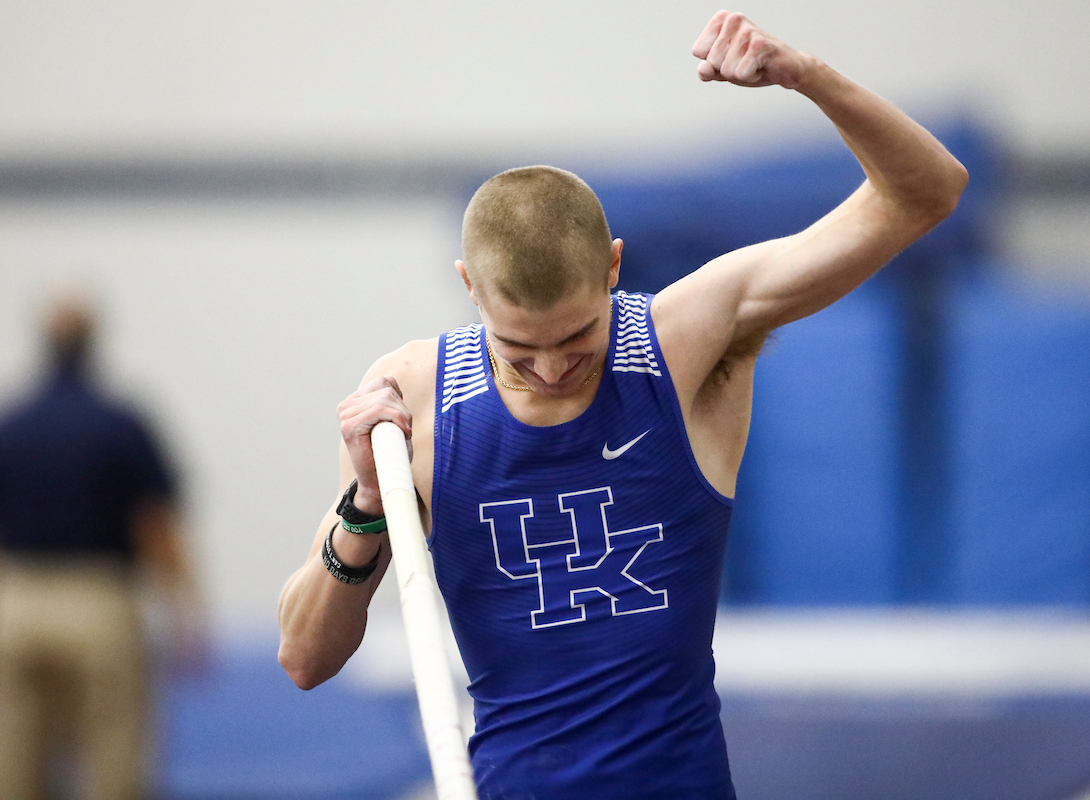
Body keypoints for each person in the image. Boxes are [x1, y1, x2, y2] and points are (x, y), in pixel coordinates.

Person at [279, 10, 968, 799]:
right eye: (518, 349)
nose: (549, 370)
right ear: (469, 289)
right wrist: (366, 503)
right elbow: (306, 658)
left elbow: (927, 193)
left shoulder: (688, 341)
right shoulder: (414, 401)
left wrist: (807, 76)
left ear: (613, 267)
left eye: (576, 338)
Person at [0, 288, 206, 800]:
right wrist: (186, 611)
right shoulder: (120, 424)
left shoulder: (11, 425)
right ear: (94, 342)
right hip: (100, 604)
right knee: (114, 761)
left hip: (17, 602)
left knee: (13, 765)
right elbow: (155, 523)